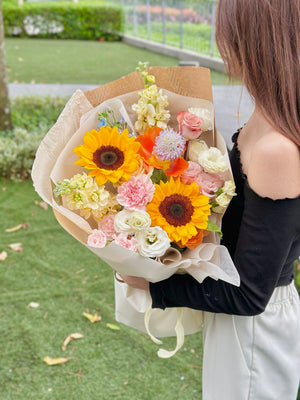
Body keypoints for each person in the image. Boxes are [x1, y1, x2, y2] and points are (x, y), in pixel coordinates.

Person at [120, 1, 300, 399]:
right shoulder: (265, 117)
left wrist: (153, 287)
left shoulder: (277, 148)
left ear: (251, 41)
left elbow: (250, 295)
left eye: (227, 32)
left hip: (257, 330)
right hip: (240, 323)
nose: (223, 44)